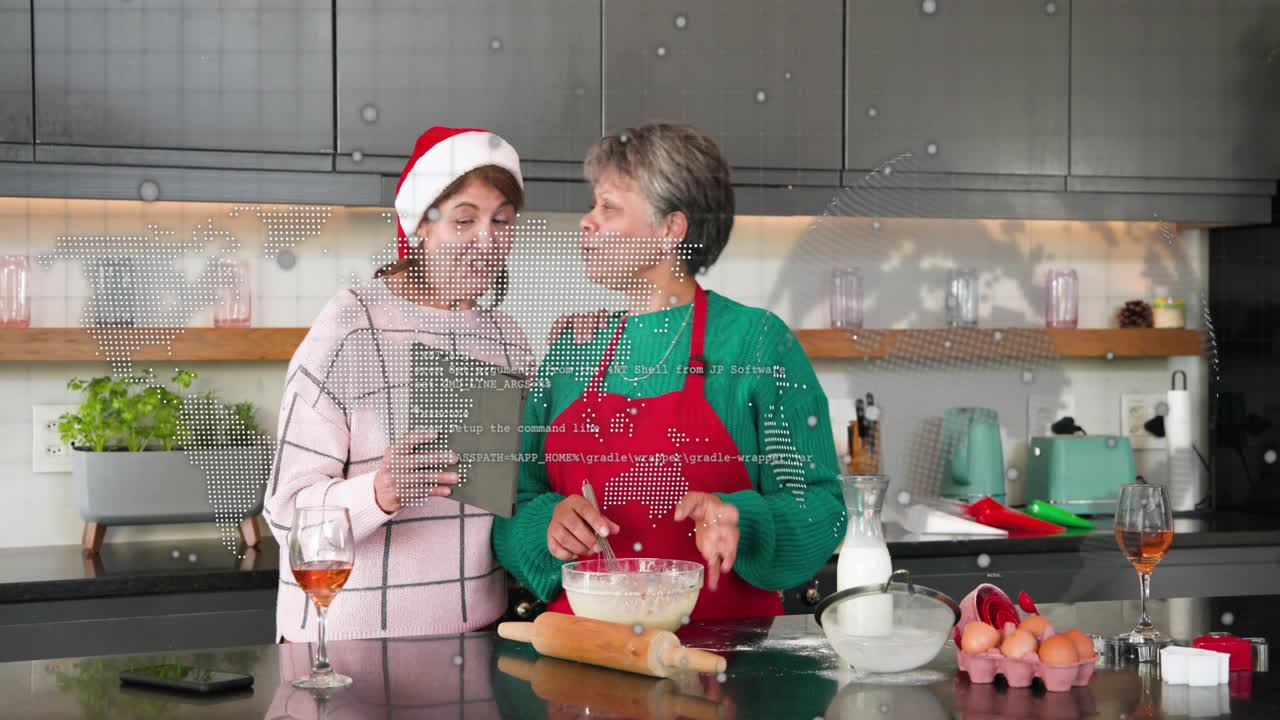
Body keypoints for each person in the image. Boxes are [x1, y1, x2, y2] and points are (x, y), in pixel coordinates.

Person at [493, 123, 846, 620]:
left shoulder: (757, 343)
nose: (586, 222)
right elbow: (510, 505)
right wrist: (545, 526)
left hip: (723, 653)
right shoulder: (574, 347)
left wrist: (743, 520)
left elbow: (822, 508)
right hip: (584, 653)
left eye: (608, 207)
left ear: (671, 228)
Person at [265, 127, 533, 641]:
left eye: (501, 221)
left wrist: (584, 347)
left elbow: (523, 489)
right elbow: (285, 515)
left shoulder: (507, 338)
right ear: (421, 225)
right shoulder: (351, 325)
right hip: (349, 646)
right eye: (464, 220)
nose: (487, 239)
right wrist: (378, 493)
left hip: (474, 638)